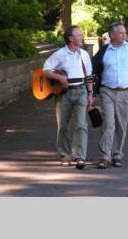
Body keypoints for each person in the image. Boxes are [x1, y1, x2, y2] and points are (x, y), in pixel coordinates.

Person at [92, 21, 128, 169]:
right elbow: (94, 69)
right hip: (107, 91)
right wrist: (93, 91)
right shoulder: (104, 51)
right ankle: (105, 155)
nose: (125, 35)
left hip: (126, 92)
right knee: (108, 123)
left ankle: (117, 154)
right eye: (121, 33)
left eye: (125, 32)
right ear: (112, 35)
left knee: (121, 125)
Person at [43, 25, 94, 169]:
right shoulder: (60, 54)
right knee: (63, 126)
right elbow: (45, 70)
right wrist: (59, 78)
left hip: (81, 91)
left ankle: (80, 156)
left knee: (81, 125)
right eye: (79, 35)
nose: (82, 37)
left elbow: (89, 76)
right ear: (71, 38)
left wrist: (90, 94)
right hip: (63, 93)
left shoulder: (84, 54)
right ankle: (65, 155)